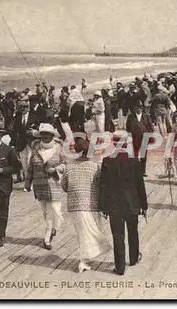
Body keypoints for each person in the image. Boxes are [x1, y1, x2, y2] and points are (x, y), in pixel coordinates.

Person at [98, 131, 148, 275]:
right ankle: (133, 258)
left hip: (114, 204)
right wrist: (144, 206)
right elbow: (140, 186)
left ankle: (120, 267)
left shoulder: (107, 161)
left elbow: (103, 186)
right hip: (132, 202)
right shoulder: (134, 161)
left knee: (117, 235)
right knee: (133, 231)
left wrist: (103, 206)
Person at [61, 138, 111, 273]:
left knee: (82, 234)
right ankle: (83, 261)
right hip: (90, 204)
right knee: (90, 232)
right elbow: (100, 185)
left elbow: (64, 186)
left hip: (74, 205)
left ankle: (85, 260)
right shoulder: (95, 166)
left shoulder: (69, 166)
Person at [25, 123, 66, 250]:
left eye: (47, 134)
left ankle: (48, 237)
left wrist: (56, 169)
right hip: (40, 184)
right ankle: (51, 229)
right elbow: (31, 167)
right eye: (42, 134)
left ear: (52, 135)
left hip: (54, 183)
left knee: (54, 210)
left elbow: (65, 164)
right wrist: (27, 182)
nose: (45, 137)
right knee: (45, 212)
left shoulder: (58, 148)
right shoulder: (36, 148)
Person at [126, 100, 154, 177]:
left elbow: (151, 127)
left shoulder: (146, 116)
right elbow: (127, 128)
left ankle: (142, 171)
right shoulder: (131, 116)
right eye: (137, 107)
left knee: (143, 155)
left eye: (140, 107)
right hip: (134, 138)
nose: (139, 109)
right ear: (134, 108)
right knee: (135, 155)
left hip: (144, 138)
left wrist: (148, 135)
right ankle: (135, 170)